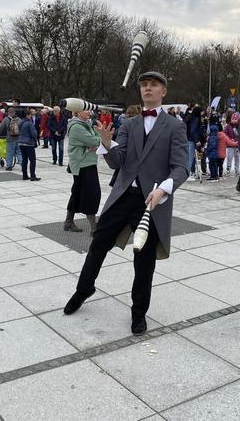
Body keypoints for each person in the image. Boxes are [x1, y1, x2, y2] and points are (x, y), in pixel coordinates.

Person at [64, 71, 189, 336]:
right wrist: (107, 145)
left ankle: (138, 312)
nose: (147, 89)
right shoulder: (129, 124)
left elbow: (181, 168)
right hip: (122, 197)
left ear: (163, 92)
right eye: (144, 85)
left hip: (151, 202)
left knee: (143, 261)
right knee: (97, 245)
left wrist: (164, 190)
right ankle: (84, 288)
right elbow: (118, 162)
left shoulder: (175, 126)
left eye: (153, 85)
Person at [65, 108, 101, 233]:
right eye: (87, 111)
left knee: (78, 192)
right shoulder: (77, 127)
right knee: (92, 194)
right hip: (82, 164)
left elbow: (94, 141)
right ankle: (93, 227)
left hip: (86, 163)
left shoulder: (85, 125)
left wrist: (95, 138)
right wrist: (98, 136)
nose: (90, 113)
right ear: (78, 112)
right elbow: (95, 141)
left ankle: (68, 222)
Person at [18, 109, 40, 181]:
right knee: (32, 160)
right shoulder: (29, 123)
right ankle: (33, 176)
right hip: (29, 143)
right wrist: (36, 139)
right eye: (30, 114)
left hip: (21, 143)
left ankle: (25, 175)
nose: (31, 116)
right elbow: (33, 133)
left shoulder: (20, 122)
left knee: (24, 160)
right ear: (27, 115)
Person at [184, 106, 203, 180]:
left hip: (186, 139)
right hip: (191, 140)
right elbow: (193, 130)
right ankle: (187, 175)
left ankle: (186, 173)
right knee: (190, 158)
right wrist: (197, 140)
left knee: (187, 158)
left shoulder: (189, 117)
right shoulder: (195, 119)